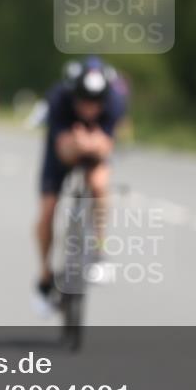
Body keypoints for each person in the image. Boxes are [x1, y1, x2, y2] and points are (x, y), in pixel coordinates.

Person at [34, 57, 127, 314]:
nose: (89, 109)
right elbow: (64, 150)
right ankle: (44, 278)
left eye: (96, 103)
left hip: (92, 150)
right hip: (61, 151)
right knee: (48, 210)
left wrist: (91, 145)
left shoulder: (116, 101)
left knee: (99, 185)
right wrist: (83, 143)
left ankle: (99, 250)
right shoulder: (58, 100)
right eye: (84, 101)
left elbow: (106, 146)